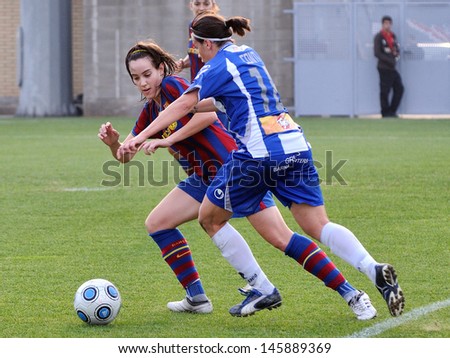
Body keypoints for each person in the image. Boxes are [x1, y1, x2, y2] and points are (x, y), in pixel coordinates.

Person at [118, 37, 385, 321]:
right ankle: (197, 297)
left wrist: (166, 138)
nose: (143, 83)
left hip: (237, 169)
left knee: (281, 238)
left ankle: (352, 294)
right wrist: (114, 143)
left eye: (147, 74)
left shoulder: (173, 86)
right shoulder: (150, 110)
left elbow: (206, 118)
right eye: (136, 78)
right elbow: (125, 154)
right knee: (158, 223)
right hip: (204, 177)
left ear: (161, 69)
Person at [175, 0, 230, 129]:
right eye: (197, 3)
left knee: (222, 137)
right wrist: (183, 63)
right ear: (191, 5)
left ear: (213, 5)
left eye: (206, 4)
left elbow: (225, 56)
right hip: (198, 90)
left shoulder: (218, 27)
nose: (201, 8)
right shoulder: (193, 26)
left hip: (214, 91)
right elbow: (196, 54)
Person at [374, 15, 404, 118]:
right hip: (383, 67)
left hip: (392, 68)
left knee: (399, 88)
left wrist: (396, 55)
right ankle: (385, 112)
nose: (387, 25)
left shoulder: (392, 36)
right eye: (385, 23)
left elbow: (395, 48)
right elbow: (377, 53)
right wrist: (389, 60)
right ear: (382, 24)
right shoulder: (379, 36)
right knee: (385, 90)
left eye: (389, 23)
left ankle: (392, 111)